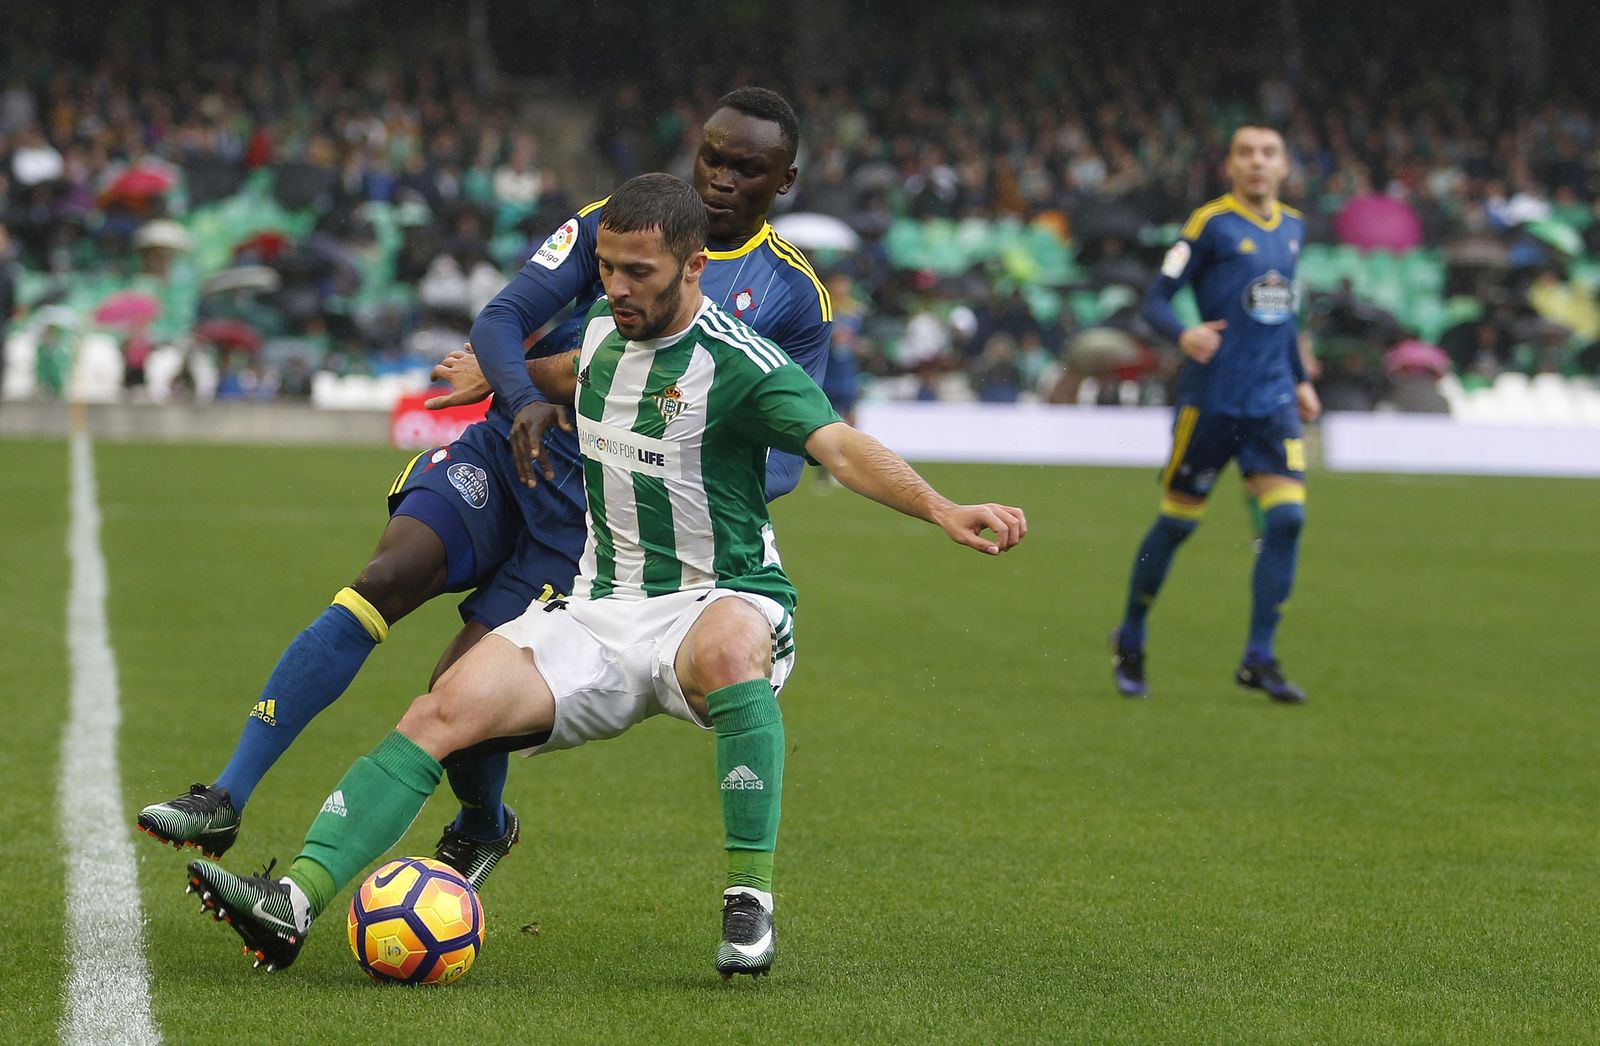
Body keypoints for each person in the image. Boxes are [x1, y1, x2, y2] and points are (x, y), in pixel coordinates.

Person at [181, 173, 1027, 980]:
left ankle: (748, 900)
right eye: (607, 268)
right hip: (596, 611)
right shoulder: (601, 337)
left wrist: (942, 507)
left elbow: (839, 445)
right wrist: (495, 376)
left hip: (716, 600)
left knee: (736, 648)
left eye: (638, 273)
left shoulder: (743, 364)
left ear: (695, 268)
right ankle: (292, 900)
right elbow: (568, 369)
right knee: (444, 706)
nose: (615, 287)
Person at [137, 88, 832, 890]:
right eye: (714, 156)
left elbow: (791, 454)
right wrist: (526, 399)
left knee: (455, 693)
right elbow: (502, 320)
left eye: (749, 169)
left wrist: (666, 459)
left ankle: (480, 824)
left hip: (586, 519)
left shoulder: (790, 296)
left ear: (783, 181)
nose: (722, 179)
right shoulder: (615, 220)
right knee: (382, 580)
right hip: (508, 449)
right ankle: (224, 794)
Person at [1111, 124, 1322, 703]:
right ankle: (1130, 635)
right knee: (1178, 524)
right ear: (1229, 165)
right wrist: (1184, 334)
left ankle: (1260, 656)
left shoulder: (1296, 228)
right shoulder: (1210, 224)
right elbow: (1154, 298)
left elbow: (1282, 318)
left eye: (1269, 153)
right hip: (1212, 401)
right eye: (1246, 153)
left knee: (1287, 521)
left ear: (1284, 166)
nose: (1258, 162)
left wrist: (1301, 381)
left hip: (1273, 402)